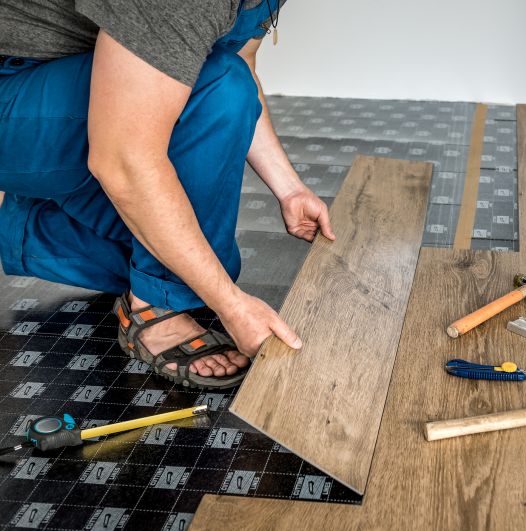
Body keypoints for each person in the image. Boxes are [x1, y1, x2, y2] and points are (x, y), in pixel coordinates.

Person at [0, 1, 334, 389]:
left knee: (195, 258)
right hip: (16, 91)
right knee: (217, 86)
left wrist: (290, 189)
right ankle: (152, 310)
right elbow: (123, 160)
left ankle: (14, 222)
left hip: (71, 84)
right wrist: (230, 305)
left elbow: (242, 63)